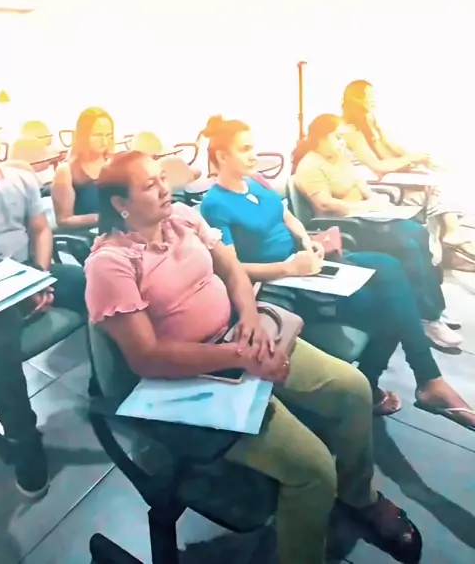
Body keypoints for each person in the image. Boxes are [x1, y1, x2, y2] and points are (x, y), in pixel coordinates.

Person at [84, 151, 422, 564]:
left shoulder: (183, 219)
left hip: (237, 339)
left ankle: (358, 496)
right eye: (149, 185)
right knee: (312, 469)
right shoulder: (112, 264)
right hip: (187, 379)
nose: (164, 189)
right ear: (120, 203)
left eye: (162, 178)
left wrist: (248, 317)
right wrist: (239, 356)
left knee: (352, 389)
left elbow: (232, 271)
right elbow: (147, 358)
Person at [200, 119, 474, 426]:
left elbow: (287, 217)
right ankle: (407, 382)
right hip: (281, 282)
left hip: (306, 265)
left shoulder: (256, 182)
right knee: (394, 304)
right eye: (245, 149)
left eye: (253, 147)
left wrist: (307, 241)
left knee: (391, 269)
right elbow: (231, 268)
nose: (254, 155)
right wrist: (288, 267)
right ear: (222, 156)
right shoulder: (214, 204)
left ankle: (414, 382)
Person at [291, 114, 462, 350]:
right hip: (347, 225)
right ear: (320, 138)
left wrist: (379, 204)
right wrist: (366, 207)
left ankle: (430, 308)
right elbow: (326, 205)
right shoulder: (310, 166)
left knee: (418, 233)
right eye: (337, 137)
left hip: (368, 218)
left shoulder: (339, 159)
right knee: (408, 246)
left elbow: (362, 187)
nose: (342, 143)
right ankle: (427, 318)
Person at [0, 129, 86, 498]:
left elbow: (40, 229)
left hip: (29, 269)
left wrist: (39, 275)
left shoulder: (20, 180)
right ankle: (24, 438)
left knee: (88, 282)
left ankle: (114, 381)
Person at [342, 79, 475, 266]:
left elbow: (391, 153)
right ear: (356, 99)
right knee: (434, 190)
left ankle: (451, 245)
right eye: (368, 96)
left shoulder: (369, 126)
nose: (374, 100)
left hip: (384, 177)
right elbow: (378, 166)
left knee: (436, 180)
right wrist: (411, 159)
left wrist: (415, 158)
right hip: (372, 183)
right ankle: (450, 241)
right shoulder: (351, 131)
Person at [51, 107, 115, 230]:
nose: (104, 141)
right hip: (86, 235)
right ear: (83, 135)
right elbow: (63, 220)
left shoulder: (114, 164)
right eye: (97, 135)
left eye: (109, 135)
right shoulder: (66, 171)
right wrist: (102, 218)